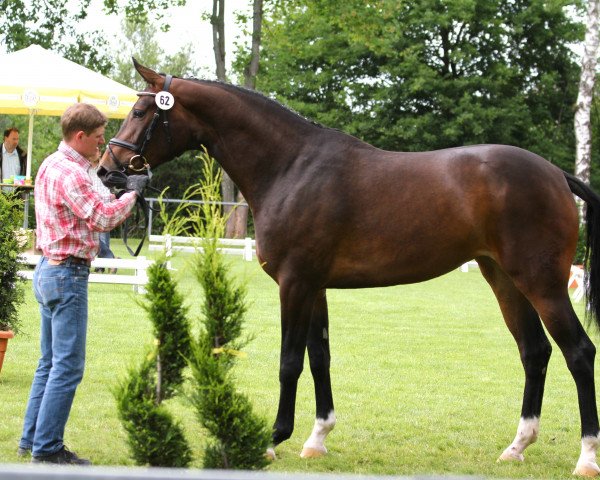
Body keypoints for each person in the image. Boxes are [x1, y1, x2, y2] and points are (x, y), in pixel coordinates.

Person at [18, 103, 149, 465]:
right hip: (67, 274)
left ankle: (31, 439)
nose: (102, 142)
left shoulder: (52, 164)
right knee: (68, 366)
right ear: (80, 136)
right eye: (97, 136)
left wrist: (117, 188)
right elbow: (102, 218)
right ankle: (47, 450)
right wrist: (133, 193)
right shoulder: (72, 173)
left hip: (49, 268)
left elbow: (92, 202)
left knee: (49, 363)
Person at [88, 155, 116, 272]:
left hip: (105, 204)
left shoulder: (106, 168)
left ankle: (101, 265)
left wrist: (112, 196)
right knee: (94, 237)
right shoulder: (85, 169)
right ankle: (110, 260)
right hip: (91, 205)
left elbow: (113, 186)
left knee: (104, 237)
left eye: (97, 151)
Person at [1, 127, 27, 193]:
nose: (16, 142)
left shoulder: (22, 155)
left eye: (17, 139)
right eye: (14, 139)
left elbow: (25, 178)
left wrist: (17, 181)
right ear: (6, 138)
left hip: (16, 197)